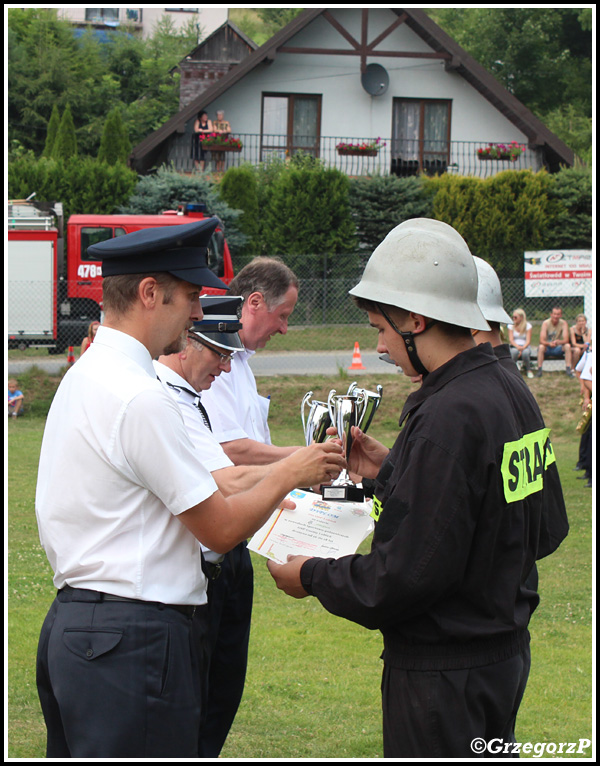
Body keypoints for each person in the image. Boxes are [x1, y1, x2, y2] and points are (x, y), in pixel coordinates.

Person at [34, 219, 345, 759]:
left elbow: (209, 481)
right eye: (192, 297)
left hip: (80, 629)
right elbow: (220, 527)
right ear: (150, 294)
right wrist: (290, 473)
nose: (201, 314)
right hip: (133, 641)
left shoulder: (88, 375)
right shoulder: (141, 396)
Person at [267, 218, 569, 759]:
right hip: (501, 661)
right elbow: (540, 527)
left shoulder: (448, 417)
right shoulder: (508, 390)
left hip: (443, 682)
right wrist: (393, 473)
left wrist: (308, 575)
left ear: (415, 318)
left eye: (381, 328)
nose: (380, 346)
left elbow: (400, 577)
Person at [198, 257, 302, 756]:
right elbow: (231, 450)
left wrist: (295, 481)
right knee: (201, 693)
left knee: (224, 691)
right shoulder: (215, 361)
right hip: (208, 550)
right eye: (282, 315)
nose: (284, 328)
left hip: (238, 544)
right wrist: (303, 461)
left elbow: (252, 446)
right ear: (254, 302)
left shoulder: (238, 364)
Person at [536, 306, 573, 377]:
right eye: (554, 314)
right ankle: (539, 369)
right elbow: (541, 340)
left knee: (567, 346)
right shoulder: (545, 323)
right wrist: (549, 344)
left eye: (558, 314)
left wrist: (559, 342)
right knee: (541, 347)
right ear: (551, 314)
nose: (556, 316)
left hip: (557, 347)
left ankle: (568, 369)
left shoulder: (563, 323)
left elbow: (566, 339)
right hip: (547, 347)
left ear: (561, 315)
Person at [508, 308, 534, 378]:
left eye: (515, 317)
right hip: (514, 346)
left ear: (521, 317)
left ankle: (528, 370)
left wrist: (522, 348)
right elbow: (511, 340)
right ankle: (512, 371)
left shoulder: (528, 326)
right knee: (514, 352)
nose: (514, 318)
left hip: (525, 346)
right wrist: (518, 347)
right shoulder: (510, 326)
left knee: (525, 353)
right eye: (513, 317)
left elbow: (528, 340)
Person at [212, 109, 231, 173]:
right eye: (218, 115)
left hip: (223, 141)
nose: (219, 116)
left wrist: (225, 131)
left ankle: (222, 170)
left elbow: (229, 130)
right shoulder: (215, 122)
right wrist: (219, 131)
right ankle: (218, 170)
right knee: (217, 156)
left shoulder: (226, 122)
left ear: (223, 116)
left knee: (223, 156)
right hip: (217, 141)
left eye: (220, 115)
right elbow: (214, 130)